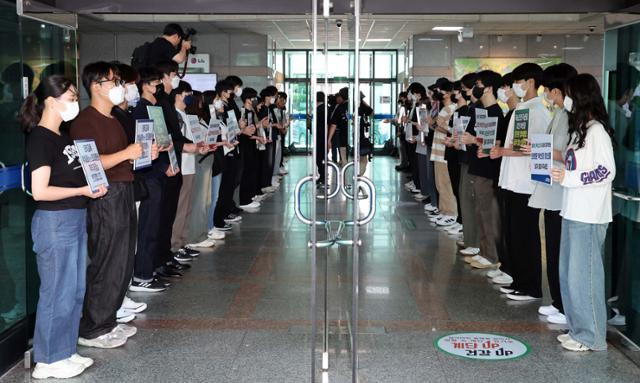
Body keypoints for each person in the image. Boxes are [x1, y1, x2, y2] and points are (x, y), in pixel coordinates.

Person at [20, 75, 106, 379]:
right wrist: (81, 191)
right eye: (71, 98)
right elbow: (40, 190)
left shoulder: (64, 136)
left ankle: (65, 350)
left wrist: (91, 184)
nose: (75, 104)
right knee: (57, 291)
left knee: (74, 290)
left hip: (75, 218)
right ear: (50, 102)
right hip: (55, 222)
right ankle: (47, 359)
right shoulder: (41, 138)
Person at [70, 61, 141, 348]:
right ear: (96, 86)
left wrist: (138, 154)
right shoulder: (85, 122)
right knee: (107, 258)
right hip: (104, 195)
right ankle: (93, 327)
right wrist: (127, 152)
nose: (119, 87)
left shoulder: (113, 119)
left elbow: (121, 157)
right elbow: (91, 163)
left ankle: (108, 320)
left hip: (123, 189)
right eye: (113, 81)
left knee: (123, 260)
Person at [552, 73, 615, 352]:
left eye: (568, 94)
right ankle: (578, 329)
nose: (565, 100)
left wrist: (570, 177)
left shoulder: (597, 132)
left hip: (589, 215)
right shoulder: (581, 130)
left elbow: (605, 171)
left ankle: (591, 337)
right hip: (573, 210)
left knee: (585, 277)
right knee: (569, 275)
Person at [491, 63, 552, 301]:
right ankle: (519, 280)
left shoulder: (536, 111)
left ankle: (530, 286)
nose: (515, 86)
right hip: (513, 180)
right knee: (514, 233)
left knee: (525, 235)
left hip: (525, 183)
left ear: (529, 82)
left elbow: (534, 147)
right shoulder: (524, 109)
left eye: (518, 82)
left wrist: (503, 152)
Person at [526, 63, 577, 325]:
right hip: (550, 187)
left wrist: (537, 149)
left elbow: (567, 153)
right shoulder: (558, 112)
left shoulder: (573, 115)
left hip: (562, 190)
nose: (550, 96)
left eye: (551, 91)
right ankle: (557, 300)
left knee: (560, 248)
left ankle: (565, 305)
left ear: (559, 90)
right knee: (555, 247)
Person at [129, 67, 174, 292]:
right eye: (155, 82)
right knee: (148, 226)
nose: (158, 86)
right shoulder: (140, 110)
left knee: (155, 224)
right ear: (145, 85)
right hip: (149, 174)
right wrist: (161, 165)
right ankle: (142, 274)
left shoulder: (154, 108)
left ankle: (150, 268)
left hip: (157, 169)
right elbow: (144, 144)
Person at [461, 71, 508, 270]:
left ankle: (491, 254)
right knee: (480, 211)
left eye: (479, 84)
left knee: (487, 213)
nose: (476, 88)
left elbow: (495, 142)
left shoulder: (497, 112)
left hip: (487, 170)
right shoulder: (481, 110)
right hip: (477, 166)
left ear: (489, 88)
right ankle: (484, 250)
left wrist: (473, 140)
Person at [170, 81, 211, 260]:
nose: (190, 97)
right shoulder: (174, 115)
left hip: (190, 165)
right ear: (178, 94)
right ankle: (174, 245)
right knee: (180, 207)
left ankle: (183, 241)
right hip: (181, 166)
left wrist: (199, 147)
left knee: (187, 208)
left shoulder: (185, 114)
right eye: (187, 93)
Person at [238, 87, 262, 210]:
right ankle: (244, 199)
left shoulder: (251, 112)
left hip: (252, 145)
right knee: (246, 172)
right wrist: (257, 138)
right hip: (245, 146)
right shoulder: (243, 112)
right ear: (247, 99)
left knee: (252, 170)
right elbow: (245, 132)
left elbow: (252, 129)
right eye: (253, 98)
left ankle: (250, 195)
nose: (255, 100)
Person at [327, 87, 349, 167]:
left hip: (343, 136)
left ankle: (345, 175)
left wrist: (329, 139)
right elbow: (370, 111)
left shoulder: (339, 107)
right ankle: (357, 176)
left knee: (344, 161)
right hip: (355, 138)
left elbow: (333, 124)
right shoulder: (356, 105)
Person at [315, 91, 327, 185]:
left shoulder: (319, 110)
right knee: (322, 157)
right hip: (324, 136)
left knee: (319, 157)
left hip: (320, 137)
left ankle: (322, 176)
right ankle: (323, 175)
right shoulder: (326, 108)